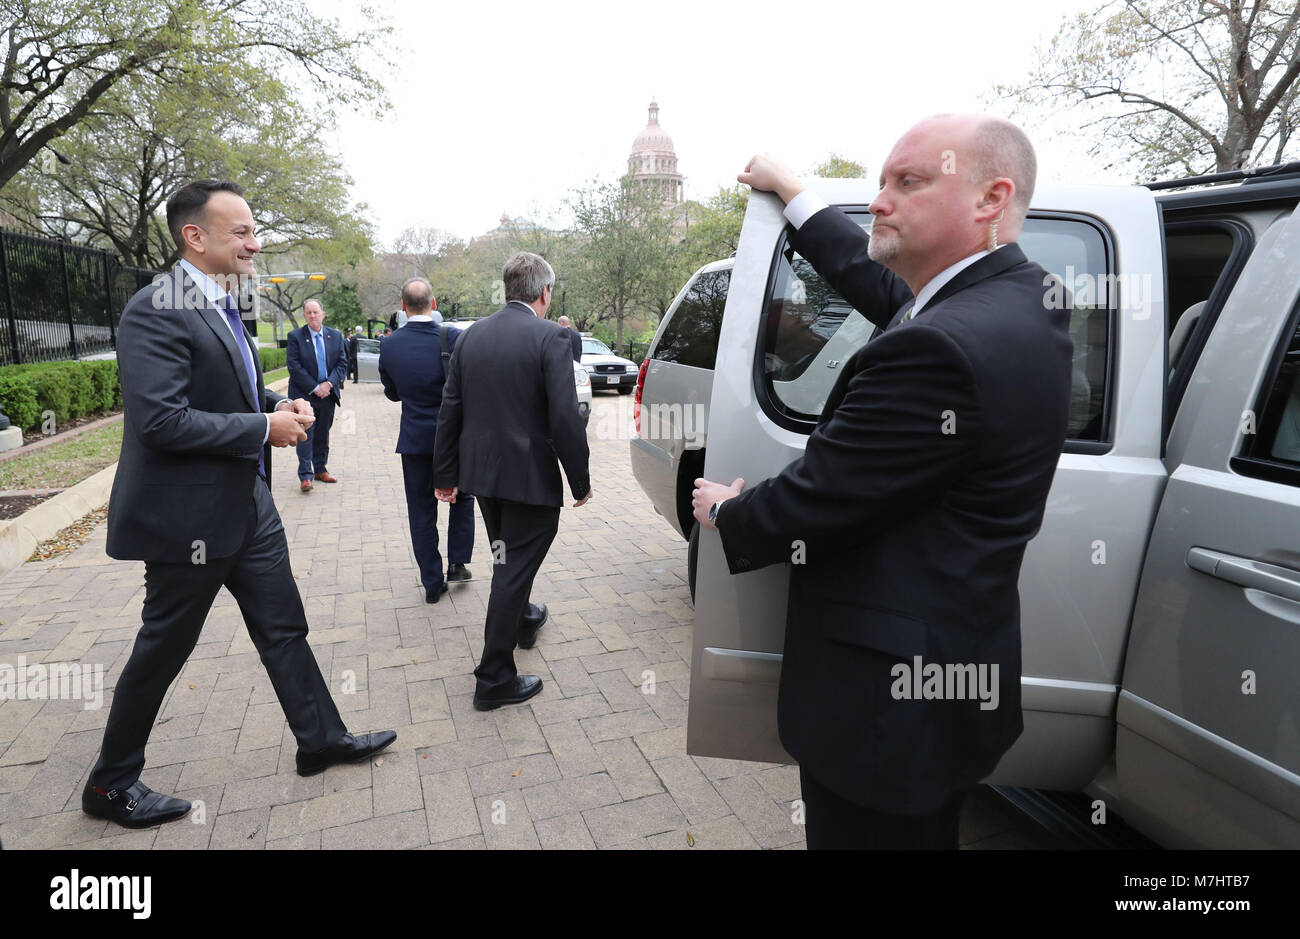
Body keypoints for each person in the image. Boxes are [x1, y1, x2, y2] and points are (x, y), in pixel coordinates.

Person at [692, 115, 1073, 849]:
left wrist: (731, 508)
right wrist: (795, 194)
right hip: (944, 688)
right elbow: (878, 282)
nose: (880, 200)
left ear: (991, 199)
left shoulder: (941, 346)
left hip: (884, 717)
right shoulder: (1022, 298)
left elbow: (819, 498)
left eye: (910, 181)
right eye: (880, 182)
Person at [85, 179, 395, 829]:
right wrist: (262, 430)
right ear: (194, 237)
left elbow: (225, 394)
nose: (255, 244)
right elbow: (160, 422)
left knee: (285, 626)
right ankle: (111, 785)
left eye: (255, 231)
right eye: (242, 233)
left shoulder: (225, 300)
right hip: (188, 519)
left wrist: (274, 406)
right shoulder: (155, 307)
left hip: (247, 505)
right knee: (163, 648)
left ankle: (319, 740)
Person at [432, 252, 592, 711]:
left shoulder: (470, 337)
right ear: (544, 293)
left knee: (507, 553)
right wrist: (579, 480)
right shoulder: (553, 337)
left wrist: (446, 475)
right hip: (528, 478)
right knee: (512, 565)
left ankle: (523, 617)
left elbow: (451, 411)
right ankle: (494, 678)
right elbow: (565, 418)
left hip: (484, 477)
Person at [379, 278, 475, 604]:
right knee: (462, 499)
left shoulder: (389, 345)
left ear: (403, 307)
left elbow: (392, 394)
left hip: (415, 442)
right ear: (433, 304)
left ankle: (432, 582)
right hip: (455, 440)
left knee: (421, 511)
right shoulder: (455, 338)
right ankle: (458, 563)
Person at [286, 299, 348, 492]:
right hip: (305, 395)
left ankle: (320, 469)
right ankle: (305, 476)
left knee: (323, 433)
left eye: (315, 312)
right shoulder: (295, 336)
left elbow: (342, 364)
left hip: (328, 394)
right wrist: (315, 387)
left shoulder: (335, 336)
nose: (312, 316)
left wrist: (328, 384)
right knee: (306, 435)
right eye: (308, 313)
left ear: (323, 314)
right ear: (304, 315)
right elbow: (294, 366)